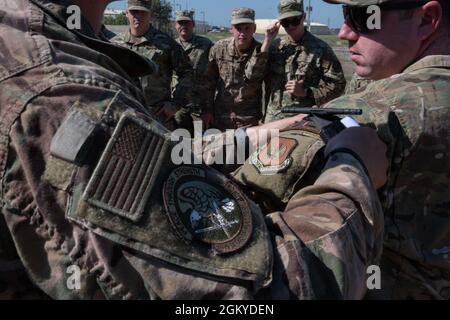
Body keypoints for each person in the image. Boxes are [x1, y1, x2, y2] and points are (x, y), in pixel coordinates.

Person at [0, 0, 390, 300]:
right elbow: (266, 292)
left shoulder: (47, 45)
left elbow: (145, 154)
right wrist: (351, 170)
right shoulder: (58, 89)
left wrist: (249, 137)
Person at [236, 0, 450, 299]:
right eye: (345, 16)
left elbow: (237, 215)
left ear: (427, 19)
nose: (346, 32)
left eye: (363, 17)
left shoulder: (366, 116)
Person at [111, 0, 196, 130]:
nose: (138, 16)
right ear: (126, 13)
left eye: (143, 13)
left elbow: (188, 73)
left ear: (151, 15)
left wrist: (175, 104)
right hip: (124, 115)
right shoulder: (114, 44)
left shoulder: (166, 43)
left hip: (157, 116)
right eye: (134, 12)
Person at [264, 0, 346, 123]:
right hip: (273, 120)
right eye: (286, 22)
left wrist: (307, 92)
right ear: (279, 22)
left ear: (303, 17)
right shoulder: (274, 47)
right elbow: (253, 77)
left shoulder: (320, 48)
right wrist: (267, 41)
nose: (291, 26)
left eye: (295, 20)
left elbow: (338, 84)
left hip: (302, 120)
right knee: (272, 143)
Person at [203, 8, 272, 131]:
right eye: (238, 28)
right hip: (221, 117)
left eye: (247, 28)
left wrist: (265, 118)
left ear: (254, 29)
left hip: (249, 120)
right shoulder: (219, 48)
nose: (242, 33)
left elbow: (268, 86)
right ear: (231, 29)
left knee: (245, 150)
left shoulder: (261, 52)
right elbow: (209, 82)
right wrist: (207, 110)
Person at [173, 10, 213, 131]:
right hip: (177, 104)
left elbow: (213, 75)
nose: (184, 26)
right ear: (176, 25)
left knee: (200, 143)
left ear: (193, 24)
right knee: (178, 143)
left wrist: (209, 109)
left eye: (187, 23)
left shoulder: (205, 44)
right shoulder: (171, 45)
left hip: (199, 105)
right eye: (180, 23)